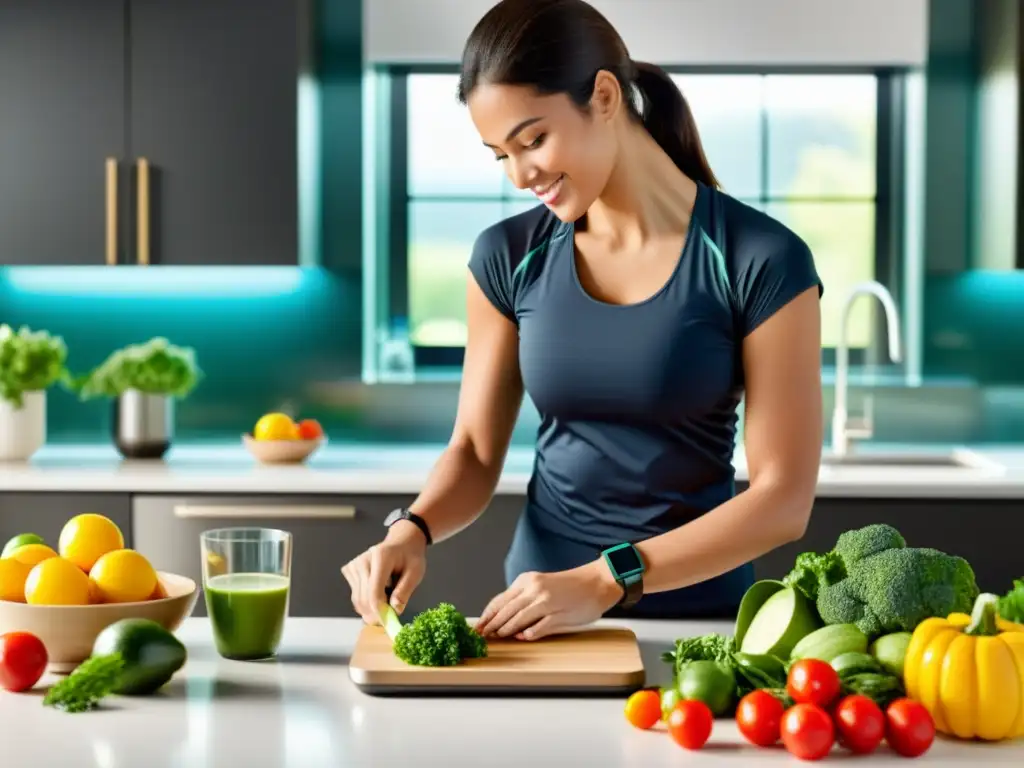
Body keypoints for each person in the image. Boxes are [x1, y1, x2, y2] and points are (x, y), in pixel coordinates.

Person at [342, 0, 823, 641]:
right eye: (499, 156)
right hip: (539, 622)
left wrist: (607, 578)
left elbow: (782, 501)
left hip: (700, 632)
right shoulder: (508, 256)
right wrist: (414, 527)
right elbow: (476, 451)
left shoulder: (757, 258)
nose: (519, 175)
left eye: (533, 140)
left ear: (602, 96)